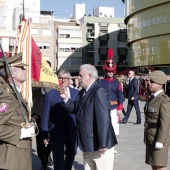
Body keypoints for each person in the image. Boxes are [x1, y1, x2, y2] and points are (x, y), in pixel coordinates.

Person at [60, 64, 117, 170]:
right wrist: (66, 99)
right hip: (88, 144)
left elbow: (104, 119)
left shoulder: (98, 91)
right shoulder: (83, 92)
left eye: (81, 75)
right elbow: (74, 108)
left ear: (89, 76)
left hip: (99, 145)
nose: (78, 78)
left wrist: (103, 144)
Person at [0, 52, 34, 170]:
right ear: (12, 73)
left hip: (19, 156)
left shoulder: (16, 94)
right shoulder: (8, 97)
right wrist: (20, 133)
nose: (25, 70)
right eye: (22, 68)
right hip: (11, 160)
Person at [41, 69, 79, 170]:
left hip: (72, 131)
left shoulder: (76, 93)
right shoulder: (50, 94)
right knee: (58, 159)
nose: (63, 80)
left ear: (70, 79)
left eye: (66, 78)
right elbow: (45, 115)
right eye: (61, 78)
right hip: (56, 132)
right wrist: (44, 133)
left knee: (71, 155)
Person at [144, 70, 170, 170]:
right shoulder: (152, 98)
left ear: (159, 84)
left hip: (159, 139)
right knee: (154, 166)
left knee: (160, 167)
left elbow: (165, 122)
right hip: (151, 137)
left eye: (152, 81)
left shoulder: (164, 100)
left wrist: (160, 141)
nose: (149, 83)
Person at [99, 48, 123, 154]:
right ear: (105, 71)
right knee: (104, 126)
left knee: (113, 127)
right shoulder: (100, 82)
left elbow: (120, 96)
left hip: (114, 108)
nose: (111, 73)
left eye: (112, 72)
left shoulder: (117, 83)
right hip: (103, 108)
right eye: (109, 72)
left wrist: (120, 109)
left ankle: (112, 147)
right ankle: (105, 144)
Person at [32, 60, 53, 170]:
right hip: (39, 116)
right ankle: (43, 161)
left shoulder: (53, 81)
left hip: (52, 115)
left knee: (51, 140)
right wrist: (33, 114)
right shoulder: (35, 82)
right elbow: (33, 98)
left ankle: (48, 153)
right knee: (40, 141)